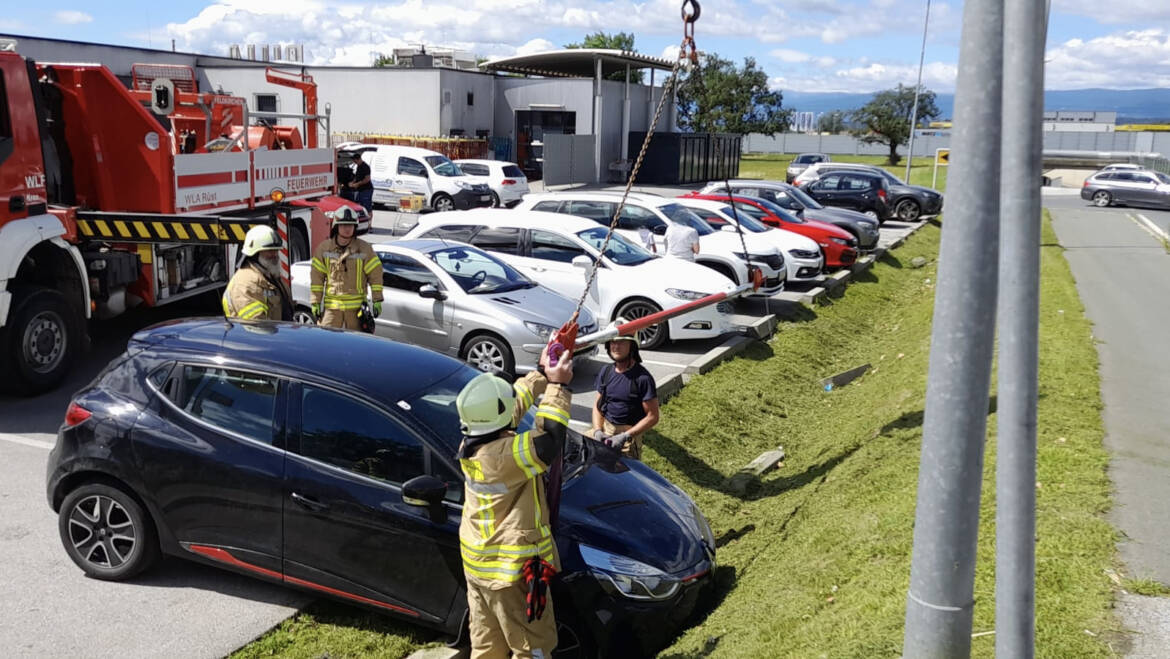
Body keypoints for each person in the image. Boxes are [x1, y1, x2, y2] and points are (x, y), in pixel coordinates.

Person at [457, 344, 574, 659]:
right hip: (512, 574)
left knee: (487, 646)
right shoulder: (503, 456)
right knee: (531, 647)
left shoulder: (472, 441)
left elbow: (510, 407)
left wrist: (540, 372)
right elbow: (549, 442)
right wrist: (559, 387)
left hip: (479, 567)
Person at [590, 318, 660, 460]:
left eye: (621, 342)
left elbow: (653, 417)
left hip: (629, 438)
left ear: (632, 346)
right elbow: (597, 406)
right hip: (605, 430)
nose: (616, 346)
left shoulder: (642, 378)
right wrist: (598, 431)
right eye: (613, 342)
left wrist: (625, 436)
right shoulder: (606, 372)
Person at [309, 207, 383, 329]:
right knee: (327, 343)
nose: (347, 229)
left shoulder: (364, 249)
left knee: (355, 346)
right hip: (332, 309)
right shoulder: (324, 249)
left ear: (355, 227)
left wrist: (377, 299)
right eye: (343, 225)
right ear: (336, 227)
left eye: (350, 225)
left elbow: (376, 275)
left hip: (356, 310)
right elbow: (317, 278)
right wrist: (315, 301)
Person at [222, 225, 292, 321]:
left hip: (279, 333)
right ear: (255, 253)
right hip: (262, 335)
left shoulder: (269, 275)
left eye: (276, 250)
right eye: (269, 251)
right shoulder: (246, 284)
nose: (275, 255)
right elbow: (257, 325)